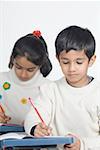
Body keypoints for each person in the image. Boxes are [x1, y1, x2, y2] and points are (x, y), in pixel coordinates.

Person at [24, 26, 100, 150]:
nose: (71, 68)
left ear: (91, 60)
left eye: (79, 62)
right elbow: (31, 117)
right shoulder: (50, 90)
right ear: (58, 59)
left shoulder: (97, 92)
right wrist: (35, 127)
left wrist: (82, 144)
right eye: (65, 62)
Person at [0, 30, 52, 125]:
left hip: (33, 138)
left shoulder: (48, 88)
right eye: (18, 67)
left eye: (30, 70)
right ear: (12, 60)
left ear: (40, 65)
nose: (23, 74)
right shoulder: (1, 80)